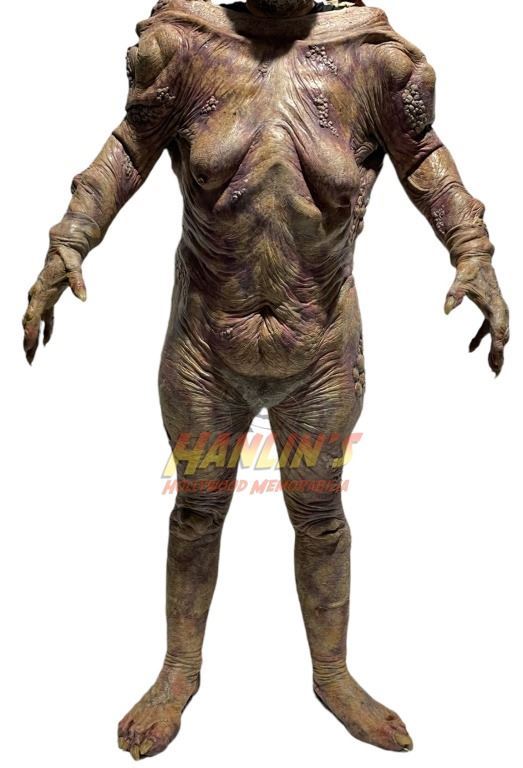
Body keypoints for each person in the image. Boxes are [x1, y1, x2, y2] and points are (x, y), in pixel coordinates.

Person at [22, 0, 509, 759]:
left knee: (318, 514)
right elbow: (125, 152)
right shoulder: (187, 51)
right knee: (197, 508)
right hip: (204, 351)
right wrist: (70, 241)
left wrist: (471, 250)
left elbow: (423, 159)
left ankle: (332, 675)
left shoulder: (370, 61)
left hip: (319, 356)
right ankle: (180, 671)